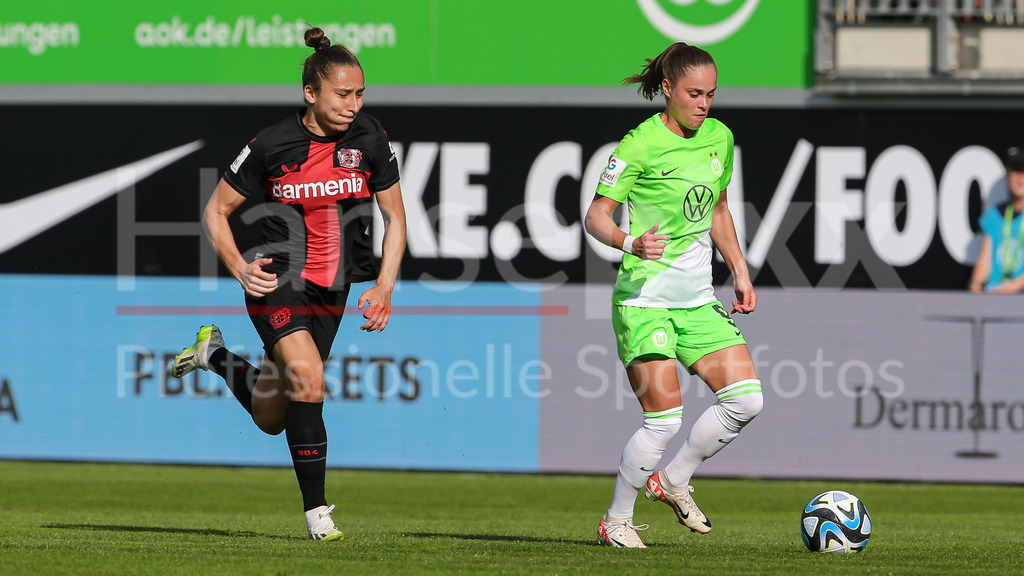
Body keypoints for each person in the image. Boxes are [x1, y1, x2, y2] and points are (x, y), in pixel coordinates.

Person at [169, 27, 406, 542]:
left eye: (360, 93)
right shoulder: (271, 144)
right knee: (310, 379)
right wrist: (238, 265)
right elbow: (215, 211)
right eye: (343, 94)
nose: (353, 104)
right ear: (310, 93)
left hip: (335, 290)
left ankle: (214, 355)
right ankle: (318, 515)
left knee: (271, 416)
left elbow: (396, 217)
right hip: (277, 280)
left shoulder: (370, 137)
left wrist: (385, 286)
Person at [584, 42, 763, 548]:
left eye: (711, 94)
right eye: (693, 93)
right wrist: (630, 242)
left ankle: (674, 479)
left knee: (747, 400)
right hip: (645, 302)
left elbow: (718, 210)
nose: (703, 104)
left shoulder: (720, 138)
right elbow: (596, 216)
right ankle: (616, 520)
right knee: (663, 421)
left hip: (697, 300)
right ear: (667, 89)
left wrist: (740, 271)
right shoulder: (639, 144)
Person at [969, 147, 1024, 293]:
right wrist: (975, 286)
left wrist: (1015, 286)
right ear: (1008, 175)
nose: (1020, 178)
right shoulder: (994, 215)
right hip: (995, 297)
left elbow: (1014, 287)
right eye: (1016, 171)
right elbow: (984, 261)